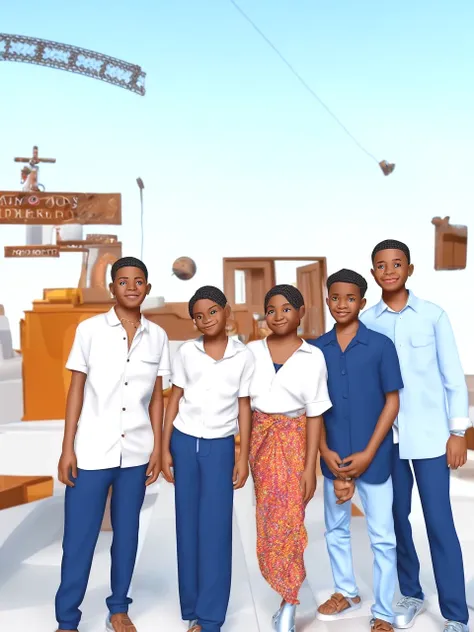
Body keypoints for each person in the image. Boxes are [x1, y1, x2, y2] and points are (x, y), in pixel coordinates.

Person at [360, 239, 471, 632]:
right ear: (373, 273)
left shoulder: (433, 316)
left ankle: (457, 614)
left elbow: (453, 377)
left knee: (439, 522)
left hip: (430, 438)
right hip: (387, 440)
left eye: (396, 264)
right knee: (396, 520)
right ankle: (410, 593)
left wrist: (458, 431)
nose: (389, 271)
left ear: (410, 269)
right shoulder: (368, 322)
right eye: (381, 265)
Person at [55, 256, 170, 632]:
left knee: (127, 534)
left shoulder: (158, 336)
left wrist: (156, 448)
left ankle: (119, 608)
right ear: (112, 288)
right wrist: (67, 447)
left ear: (148, 288)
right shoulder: (89, 330)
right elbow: (76, 390)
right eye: (124, 281)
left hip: (136, 450)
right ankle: (67, 620)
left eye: (139, 281)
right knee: (78, 540)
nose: (132, 286)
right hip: (91, 449)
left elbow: (157, 397)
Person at [309, 269, 403, 632]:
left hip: (375, 458)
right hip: (333, 456)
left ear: (362, 302)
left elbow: (391, 403)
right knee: (335, 529)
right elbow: (311, 407)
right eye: (335, 297)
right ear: (327, 300)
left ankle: (383, 611)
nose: (342, 304)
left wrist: (368, 452)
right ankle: (346, 591)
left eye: (350, 298)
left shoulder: (381, 346)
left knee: (382, 536)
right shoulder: (316, 350)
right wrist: (323, 451)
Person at [161, 286, 254, 632]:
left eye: (212, 312)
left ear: (226, 311)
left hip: (219, 448)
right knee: (187, 528)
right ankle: (192, 611)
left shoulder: (244, 357)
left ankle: (211, 618)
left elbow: (244, 406)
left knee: (216, 530)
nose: (205, 320)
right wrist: (164, 446)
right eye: (198, 316)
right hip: (184, 443)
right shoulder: (186, 353)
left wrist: (242, 455)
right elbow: (175, 399)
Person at [247, 284, 332, 632]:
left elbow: (315, 415)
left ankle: (289, 600)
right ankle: (282, 586)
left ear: (301, 313)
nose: (278, 315)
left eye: (286, 308)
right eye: (271, 309)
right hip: (261, 443)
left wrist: (310, 468)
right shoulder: (250, 351)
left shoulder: (313, 357)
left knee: (291, 519)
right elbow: (241, 401)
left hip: (294, 443)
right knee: (268, 517)